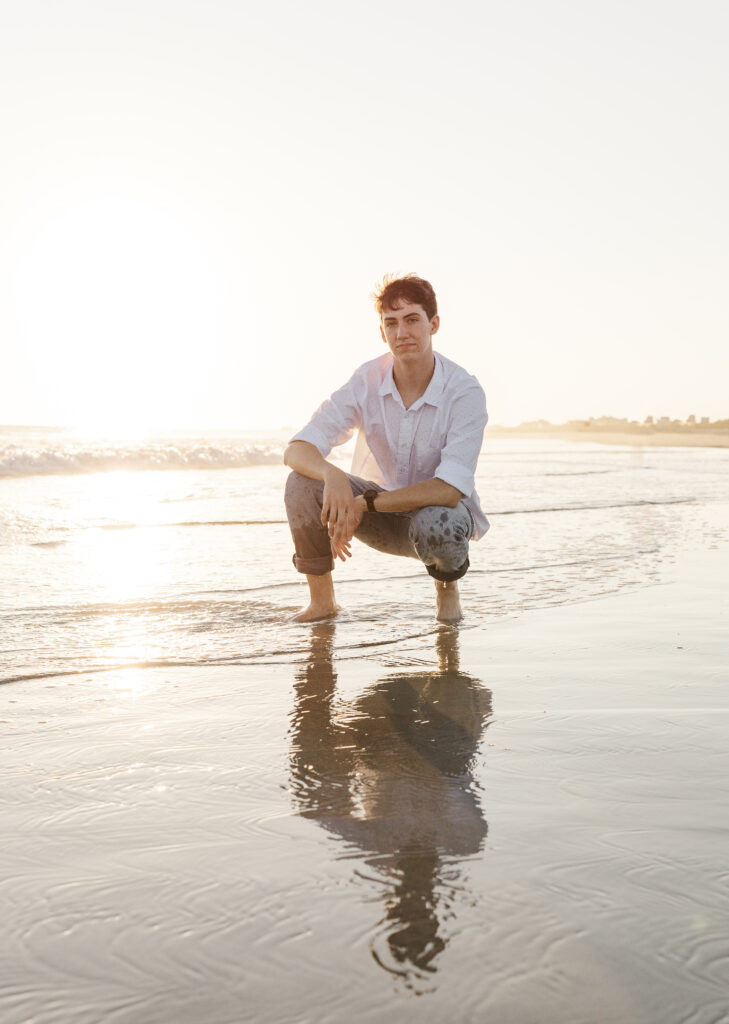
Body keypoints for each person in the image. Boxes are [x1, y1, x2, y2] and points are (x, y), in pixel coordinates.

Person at [283, 274, 488, 623]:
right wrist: (331, 475)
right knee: (301, 483)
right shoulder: (367, 379)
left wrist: (365, 503)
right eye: (391, 323)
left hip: (439, 520)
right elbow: (296, 450)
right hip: (375, 514)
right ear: (382, 332)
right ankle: (322, 604)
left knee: (437, 521)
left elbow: (450, 489)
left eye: (412, 320)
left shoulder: (464, 391)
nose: (401, 332)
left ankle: (446, 593)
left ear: (433, 324)